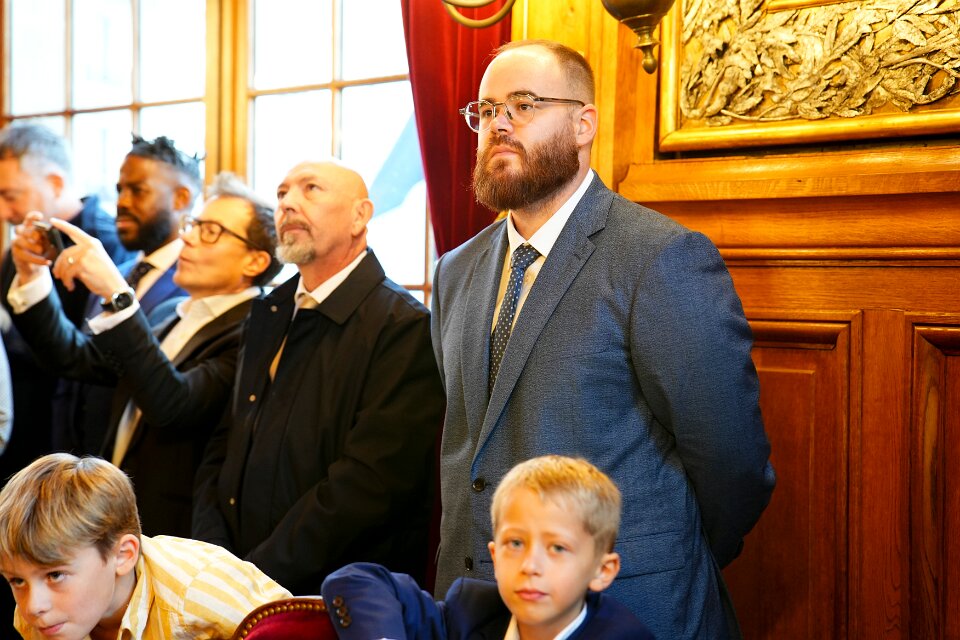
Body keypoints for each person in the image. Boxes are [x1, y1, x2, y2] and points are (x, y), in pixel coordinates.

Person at [431, 39, 776, 639]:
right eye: (485, 111)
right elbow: (471, 446)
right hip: (476, 606)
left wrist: (670, 553)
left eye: (523, 105)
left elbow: (731, 462)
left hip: (625, 606)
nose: (499, 125)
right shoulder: (454, 270)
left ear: (583, 124)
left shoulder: (660, 257)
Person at [193, 160, 444, 595]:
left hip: (332, 593)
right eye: (282, 193)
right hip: (229, 578)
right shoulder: (269, 310)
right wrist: (213, 557)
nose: (288, 203)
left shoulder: (404, 326)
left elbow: (368, 485)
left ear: (360, 216)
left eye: (311, 189)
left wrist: (255, 578)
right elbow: (225, 442)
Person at [6, 172, 280, 538]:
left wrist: (117, 295)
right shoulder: (170, 312)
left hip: (177, 525)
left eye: (211, 231)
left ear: (255, 262)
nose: (187, 238)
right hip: (117, 509)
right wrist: (31, 275)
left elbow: (173, 404)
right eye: (194, 225)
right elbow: (77, 358)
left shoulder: (254, 331)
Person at [321, 455, 653, 640]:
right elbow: (354, 581)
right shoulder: (471, 612)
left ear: (602, 570)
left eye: (557, 548)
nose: (530, 565)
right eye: (515, 543)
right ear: (495, 557)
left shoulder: (624, 636)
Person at [0, 453, 291, 640]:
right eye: (17, 580)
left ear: (122, 555)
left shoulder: (197, 596)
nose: (32, 606)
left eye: (55, 575)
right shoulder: (43, 618)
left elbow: (302, 626)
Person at [0, 123, 137, 486]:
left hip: (74, 439)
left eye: (10, 195)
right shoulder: (17, 251)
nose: (3, 210)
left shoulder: (109, 245)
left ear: (56, 183)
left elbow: (96, 357)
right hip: (18, 425)